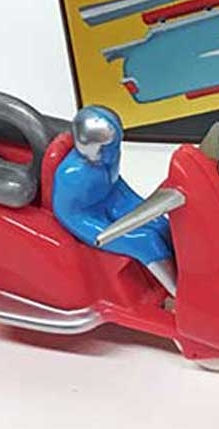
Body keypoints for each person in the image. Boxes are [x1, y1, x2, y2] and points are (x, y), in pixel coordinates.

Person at [51, 105, 177, 295]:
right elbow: (70, 212)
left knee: (161, 224)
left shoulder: (107, 159)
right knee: (145, 241)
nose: (113, 150)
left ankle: (189, 275)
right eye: (107, 146)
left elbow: (114, 184)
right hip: (81, 216)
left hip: (113, 196)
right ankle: (178, 293)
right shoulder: (73, 174)